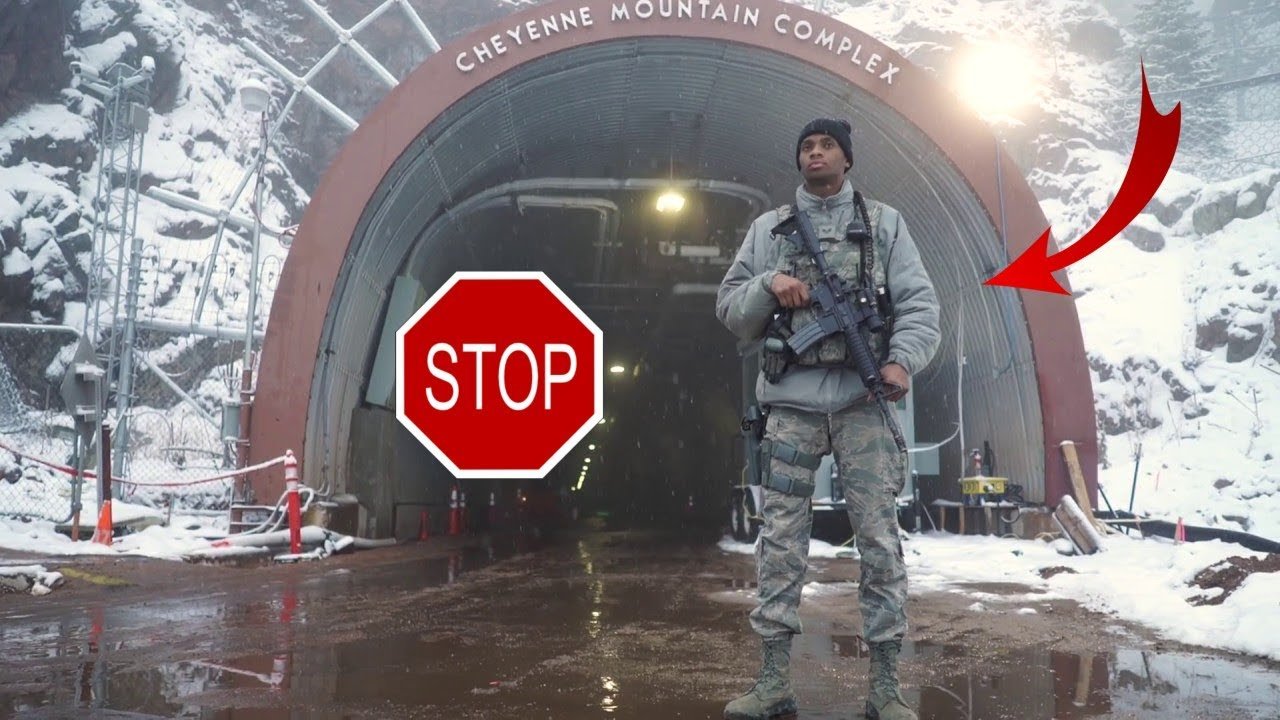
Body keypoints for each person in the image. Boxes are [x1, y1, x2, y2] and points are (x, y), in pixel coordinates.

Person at [714, 118, 941, 720]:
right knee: (780, 542)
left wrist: (900, 361)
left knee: (879, 541)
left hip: (863, 403)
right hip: (791, 404)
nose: (815, 153)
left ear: (847, 159)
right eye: (806, 147)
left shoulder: (884, 224)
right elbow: (731, 309)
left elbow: (919, 304)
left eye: (827, 145)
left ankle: (886, 687)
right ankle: (772, 682)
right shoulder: (769, 230)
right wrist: (770, 283)